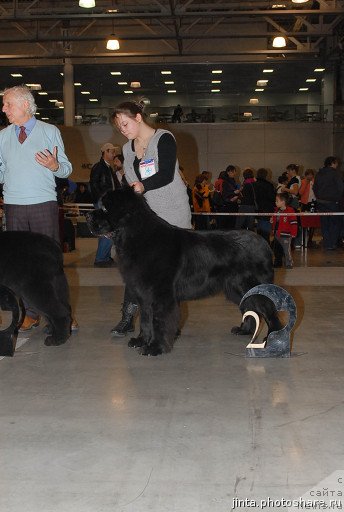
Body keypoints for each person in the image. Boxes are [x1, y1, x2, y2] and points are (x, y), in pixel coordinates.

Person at [110, 98, 192, 337]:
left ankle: (170, 323)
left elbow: (166, 175)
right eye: (119, 128)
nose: (123, 131)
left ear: (138, 117)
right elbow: (129, 179)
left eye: (125, 124)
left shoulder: (164, 138)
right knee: (135, 268)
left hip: (172, 211)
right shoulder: (127, 148)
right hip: (145, 216)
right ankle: (127, 317)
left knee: (170, 272)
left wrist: (141, 186)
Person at [0, 85, 74, 331]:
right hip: (14, 206)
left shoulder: (49, 131)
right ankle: (30, 313)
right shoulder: (3, 136)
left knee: (50, 263)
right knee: (19, 266)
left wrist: (54, 165)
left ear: (24, 105)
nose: (4, 109)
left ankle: (63, 312)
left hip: (43, 204)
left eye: (8, 104)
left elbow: (66, 169)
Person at [89, 142, 120, 267]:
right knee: (107, 230)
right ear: (105, 152)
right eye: (112, 152)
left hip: (107, 202)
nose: (114, 154)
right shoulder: (99, 167)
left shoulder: (107, 168)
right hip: (103, 203)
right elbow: (94, 185)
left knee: (108, 230)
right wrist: (103, 200)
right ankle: (101, 259)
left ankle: (105, 257)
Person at [313, 156, 343, 250]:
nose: (337, 165)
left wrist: (319, 197)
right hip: (332, 202)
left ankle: (327, 244)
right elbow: (340, 187)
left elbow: (314, 187)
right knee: (335, 223)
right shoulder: (335, 173)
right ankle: (332, 244)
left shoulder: (318, 173)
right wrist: (337, 198)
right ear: (333, 163)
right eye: (336, 163)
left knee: (324, 223)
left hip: (321, 202)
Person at [271, 192, 298, 269]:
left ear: (283, 202)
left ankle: (289, 263)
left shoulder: (290, 211)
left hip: (286, 235)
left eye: (277, 201)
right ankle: (277, 262)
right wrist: (272, 220)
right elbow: (275, 221)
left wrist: (293, 233)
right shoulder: (276, 211)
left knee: (287, 250)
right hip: (277, 234)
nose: (275, 202)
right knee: (276, 250)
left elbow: (294, 223)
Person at [253, 167, 276, 243]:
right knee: (266, 232)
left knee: (258, 231)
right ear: (266, 175)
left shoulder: (253, 185)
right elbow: (272, 198)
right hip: (267, 210)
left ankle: (259, 248)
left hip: (256, 210)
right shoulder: (269, 185)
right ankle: (266, 249)